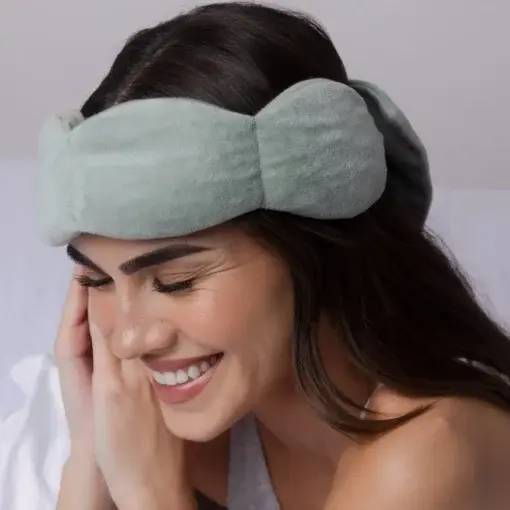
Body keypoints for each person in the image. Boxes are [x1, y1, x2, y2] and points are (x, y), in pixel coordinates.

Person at [5, 2, 510, 509]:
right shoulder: (136, 420)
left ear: (310, 249)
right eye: (98, 281)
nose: (129, 340)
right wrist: (89, 460)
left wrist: (149, 493)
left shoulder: (426, 450)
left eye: (176, 280)